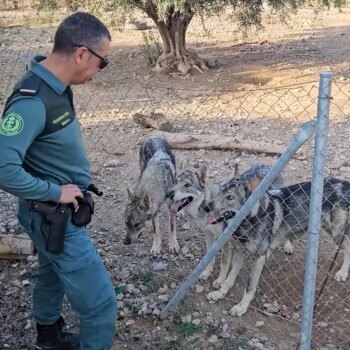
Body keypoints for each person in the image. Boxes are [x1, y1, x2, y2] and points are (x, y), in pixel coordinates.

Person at [0, 12, 117, 350]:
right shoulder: (32, 101)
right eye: (102, 62)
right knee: (101, 306)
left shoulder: (54, 86)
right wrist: (57, 192)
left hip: (51, 215)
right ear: (82, 54)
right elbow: (4, 169)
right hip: (53, 217)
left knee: (50, 273)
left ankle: (48, 338)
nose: (99, 70)